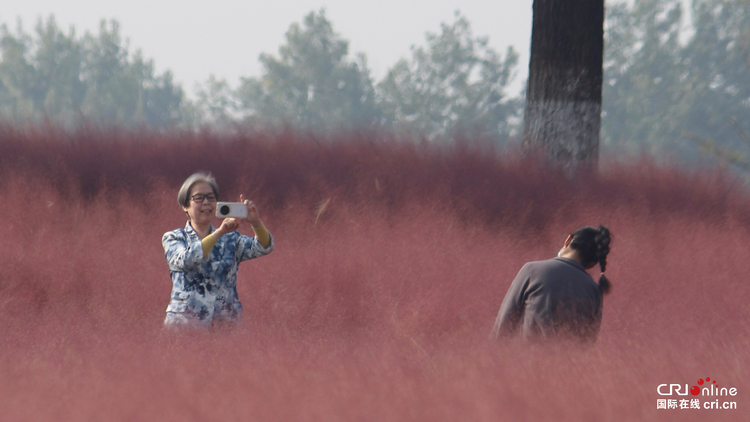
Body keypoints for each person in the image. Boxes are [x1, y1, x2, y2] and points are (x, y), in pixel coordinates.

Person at [162, 172, 273, 328]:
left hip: (226, 325)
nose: (206, 202)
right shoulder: (174, 238)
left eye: (211, 198)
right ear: (185, 206)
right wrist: (219, 232)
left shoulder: (230, 238)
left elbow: (263, 247)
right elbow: (186, 260)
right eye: (199, 198)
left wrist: (256, 222)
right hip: (185, 326)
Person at [491, 226, 612, 343]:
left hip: (527, 359)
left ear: (568, 240)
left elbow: (504, 325)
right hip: (568, 362)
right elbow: (588, 342)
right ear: (593, 263)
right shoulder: (594, 290)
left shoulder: (532, 270)